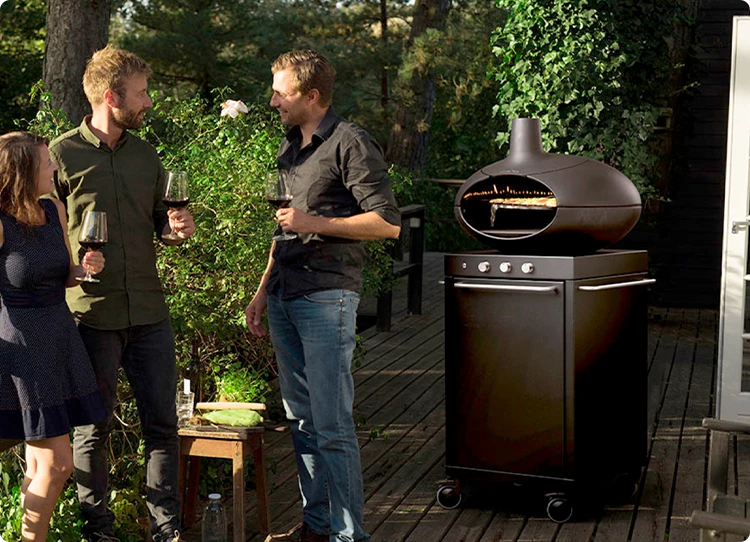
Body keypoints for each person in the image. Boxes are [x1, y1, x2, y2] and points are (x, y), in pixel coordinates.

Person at [245, 50, 401, 542]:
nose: (273, 101)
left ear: (312, 95)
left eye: (281, 93)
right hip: (284, 296)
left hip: (327, 298)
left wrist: (314, 222)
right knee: (301, 422)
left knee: (332, 426)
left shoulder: (350, 142)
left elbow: (388, 223)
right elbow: (283, 228)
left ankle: (349, 535)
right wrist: (262, 290)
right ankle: (316, 526)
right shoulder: (290, 146)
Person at [49, 46, 196, 542]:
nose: (148, 102)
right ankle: (100, 532)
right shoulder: (60, 155)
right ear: (111, 97)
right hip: (92, 315)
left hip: (150, 311)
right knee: (92, 430)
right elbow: (43, 233)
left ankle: (166, 529)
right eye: (141, 93)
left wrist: (176, 229)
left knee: (163, 425)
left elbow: (162, 223)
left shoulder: (146, 155)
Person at [0, 131, 107, 541]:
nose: (55, 168)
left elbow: (64, 275)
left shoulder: (54, 208)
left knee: (40, 463)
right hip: (23, 345)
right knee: (58, 464)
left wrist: (83, 269)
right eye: (47, 163)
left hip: (59, 335)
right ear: (24, 171)